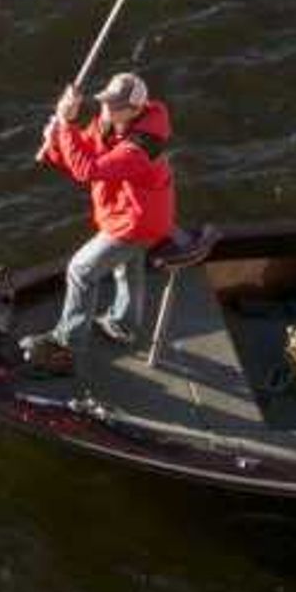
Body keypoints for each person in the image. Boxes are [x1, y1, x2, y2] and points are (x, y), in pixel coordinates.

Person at [20, 72, 178, 373]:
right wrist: (55, 140)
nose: (106, 108)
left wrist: (65, 125)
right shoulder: (114, 123)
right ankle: (123, 325)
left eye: (115, 105)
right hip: (131, 214)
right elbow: (81, 151)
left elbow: (88, 170)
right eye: (106, 101)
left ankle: (67, 347)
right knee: (126, 267)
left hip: (137, 223)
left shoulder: (140, 148)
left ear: (135, 110)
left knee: (81, 270)